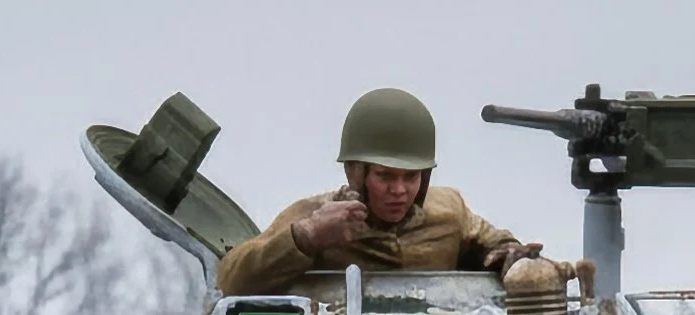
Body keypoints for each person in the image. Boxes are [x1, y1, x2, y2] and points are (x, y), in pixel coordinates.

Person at [215, 88, 543, 297]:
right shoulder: (314, 217)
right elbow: (231, 278)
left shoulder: (448, 211)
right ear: (356, 173)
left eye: (410, 176)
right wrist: (309, 237)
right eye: (385, 176)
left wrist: (511, 255)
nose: (399, 190)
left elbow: (495, 243)